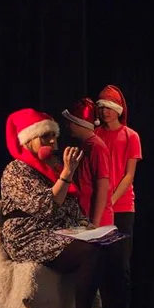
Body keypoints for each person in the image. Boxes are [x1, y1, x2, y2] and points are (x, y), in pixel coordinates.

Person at [0, 108, 124, 308]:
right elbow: (45, 207)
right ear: (28, 140)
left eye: (54, 136)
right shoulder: (16, 170)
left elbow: (71, 206)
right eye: (45, 136)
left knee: (112, 246)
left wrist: (87, 226)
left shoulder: (54, 166)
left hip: (59, 232)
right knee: (90, 252)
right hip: (29, 235)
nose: (52, 142)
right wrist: (67, 174)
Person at [95, 84, 142, 308]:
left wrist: (111, 201)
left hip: (122, 207)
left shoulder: (130, 136)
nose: (105, 112)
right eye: (102, 108)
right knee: (99, 262)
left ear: (119, 110)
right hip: (98, 207)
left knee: (121, 263)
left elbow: (129, 174)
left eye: (109, 108)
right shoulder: (95, 135)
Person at [62, 97, 114, 228]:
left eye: (70, 122)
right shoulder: (83, 145)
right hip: (83, 217)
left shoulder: (96, 147)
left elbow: (102, 186)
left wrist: (95, 223)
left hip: (95, 220)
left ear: (79, 123)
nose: (67, 126)